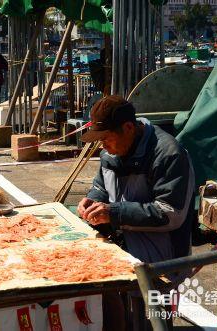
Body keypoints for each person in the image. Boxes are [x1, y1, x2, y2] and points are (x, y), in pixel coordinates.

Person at [77, 95, 195, 330]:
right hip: (123, 253)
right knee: (120, 318)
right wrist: (93, 200)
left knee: (152, 322)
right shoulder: (110, 153)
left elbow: (170, 213)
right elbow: (101, 186)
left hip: (161, 258)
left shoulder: (169, 154)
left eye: (106, 138)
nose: (103, 146)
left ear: (129, 128)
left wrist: (114, 213)